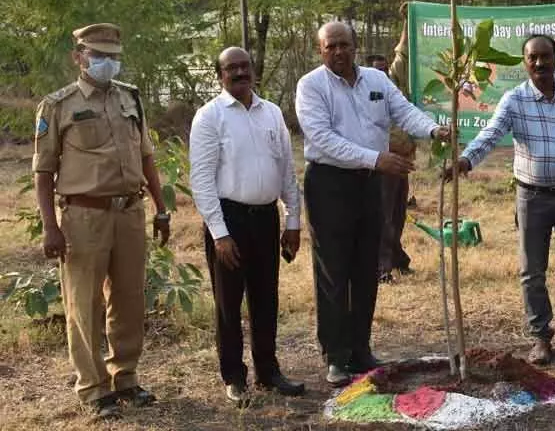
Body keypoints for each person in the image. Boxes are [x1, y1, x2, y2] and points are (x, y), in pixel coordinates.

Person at [295, 21, 450, 386]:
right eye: (330, 46)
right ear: (321, 50)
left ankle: (361, 350)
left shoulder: (377, 82)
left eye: (344, 45)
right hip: (329, 184)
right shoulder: (310, 86)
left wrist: (433, 129)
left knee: (366, 268)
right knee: (334, 271)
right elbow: (322, 139)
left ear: (356, 46)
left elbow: (405, 111)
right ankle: (335, 356)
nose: (338, 52)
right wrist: (376, 158)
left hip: (369, 186)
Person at [33, 23, 170, 420]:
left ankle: (125, 376)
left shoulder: (130, 99)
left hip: (129, 212)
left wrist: (161, 208)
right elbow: (43, 173)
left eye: (112, 57)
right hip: (83, 216)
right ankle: (93, 388)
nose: (106, 63)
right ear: (78, 57)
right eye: (97, 55)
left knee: (128, 298)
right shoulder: (58, 105)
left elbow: (146, 158)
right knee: (84, 303)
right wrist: (49, 226)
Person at [447, 34, 555, 365]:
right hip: (533, 198)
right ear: (525, 63)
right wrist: (465, 161)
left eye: (546, 56)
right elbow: (490, 134)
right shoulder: (514, 101)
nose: (540, 63)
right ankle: (541, 337)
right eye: (533, 58)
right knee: (532, 271)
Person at [189, 47, 306, 405]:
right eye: (231, 68)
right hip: (229, 220)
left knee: (265, 298)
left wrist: (293, 221)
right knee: (228, 303)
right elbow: (202, 179)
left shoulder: (271, 113)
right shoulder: (210, 117)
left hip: (266, 218)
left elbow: (286, 170)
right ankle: (234, 377)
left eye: (244, 66)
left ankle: (268, 372)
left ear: (253, 70)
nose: (240, 73)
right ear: (220, 75)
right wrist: (219, 233)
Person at [379, 5, 417, 283]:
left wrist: (408, 21)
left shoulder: (395, 88)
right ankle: (382, 266)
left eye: (384, 70)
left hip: (403, 162)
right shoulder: (364, 98)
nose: (380, 75)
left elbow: (402, 54)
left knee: (398, 212)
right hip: (381, 162)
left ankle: (396, 257)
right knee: (383, 216)